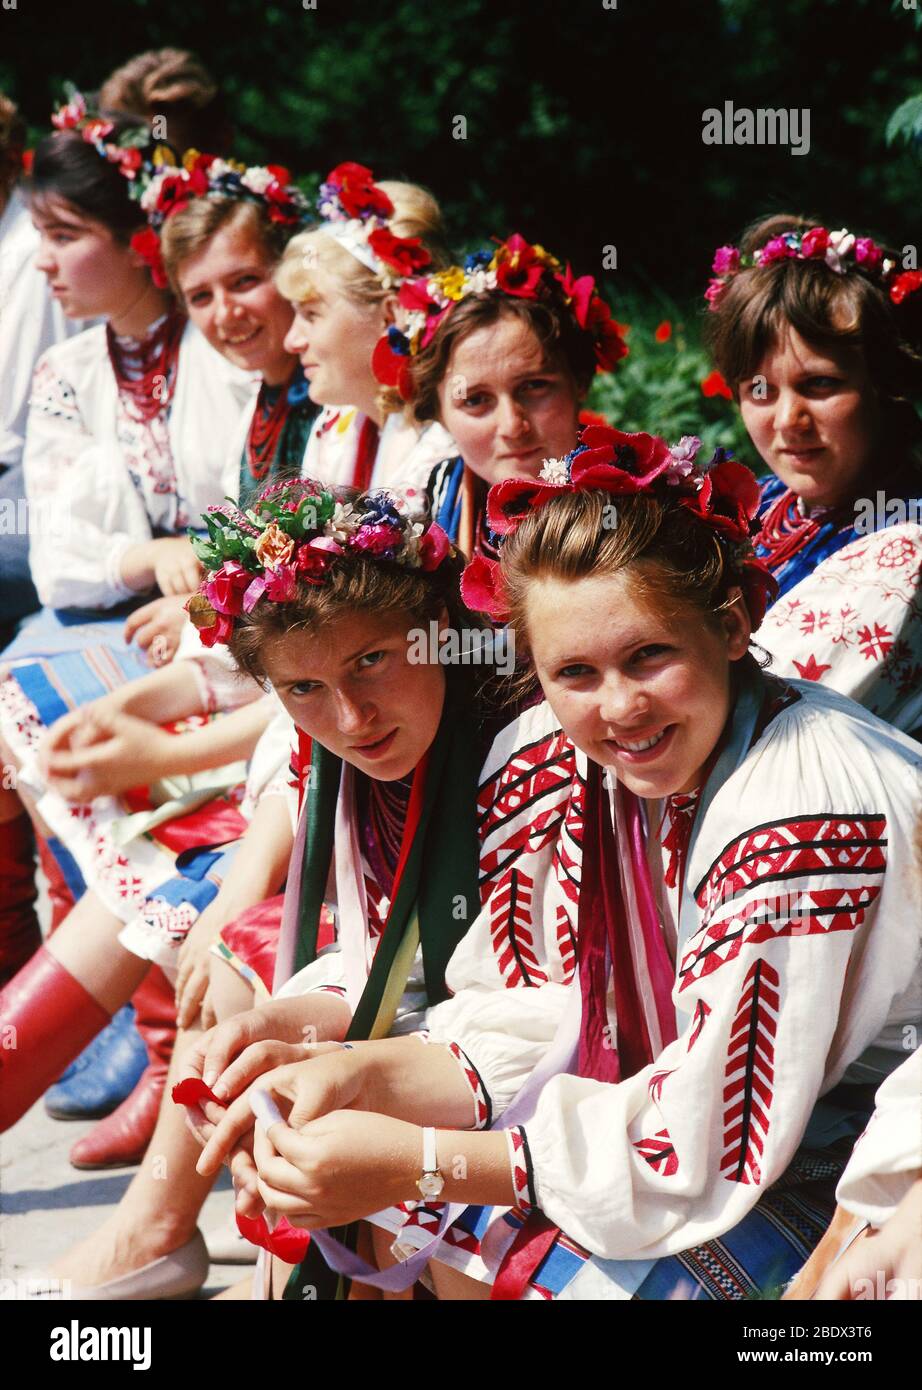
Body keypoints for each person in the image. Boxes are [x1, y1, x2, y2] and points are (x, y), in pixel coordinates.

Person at [195, 425, 921, 1301]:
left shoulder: (800, 815)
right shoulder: (573, 758)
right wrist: (353, 1071)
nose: (618, 705)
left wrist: (419, 1162)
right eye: (574, 671)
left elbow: (692, 1148)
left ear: (731, 626)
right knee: (379, 1192)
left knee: (477, 1233)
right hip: (752, 1124)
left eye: (650, 654)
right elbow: (539, 1006)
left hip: (863, 1144)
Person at [704, 215, 922, 734]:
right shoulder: (756, 506)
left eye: (821, 384)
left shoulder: (906, 549)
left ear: (885, 388)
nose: (787, 421)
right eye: (759, 389)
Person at [372, 232, 627, 557]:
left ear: (579, 381)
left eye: (534, 386)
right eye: (475, 400)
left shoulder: (630, 515)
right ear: (436, 411)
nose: (512, 426)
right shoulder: (431, 501)